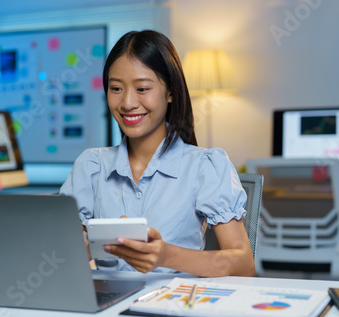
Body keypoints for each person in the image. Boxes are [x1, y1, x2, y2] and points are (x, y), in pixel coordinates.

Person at [60, 30, 254, 277]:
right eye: (116, 88)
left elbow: (244, 265)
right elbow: (59, 258)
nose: (127, 103)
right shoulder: (91, 166)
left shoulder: (204, 166)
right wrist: (97, 246)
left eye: (142, 88)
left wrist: (165, 255)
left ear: (170, 91)